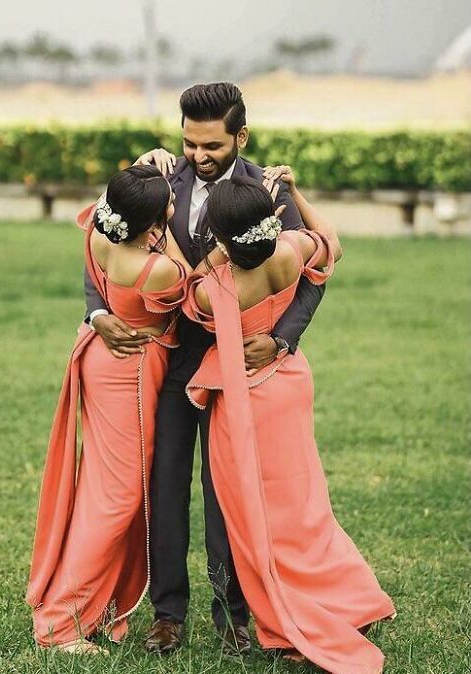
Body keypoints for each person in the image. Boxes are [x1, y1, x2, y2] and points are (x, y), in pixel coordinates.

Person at [85, 82, 325, 654]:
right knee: (165, 486)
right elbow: (105, 248)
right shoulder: (157, 179)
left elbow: (311, 276)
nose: (198, 155)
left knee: (228, 493)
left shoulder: (270, 191)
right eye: (190, 142)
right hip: (167, 363)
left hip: (238, 370)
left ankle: (234, 615)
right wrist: (97, 312)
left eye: (212, 144)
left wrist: (282, 340)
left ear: (241, 136)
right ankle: (167, 614)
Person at [182, 165, 396, 672]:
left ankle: (285, 612)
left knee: (256, 514)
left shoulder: (217, 287)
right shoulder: (290, 251)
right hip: (289, 384)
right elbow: (332, 244)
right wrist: (296, 192)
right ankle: (346, 598)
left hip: (243, 402)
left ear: (222, 236)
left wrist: (216, 251)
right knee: (303, 506)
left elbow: (186, 296)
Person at [27, 165, 224, 653]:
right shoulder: (155, 266)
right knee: (116, 498)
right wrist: (167, 224)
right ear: (150, 221)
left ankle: (86, 603)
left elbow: (103, 207)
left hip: (99, 356)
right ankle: (62, 623)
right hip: (130, 373)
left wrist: (140, 185)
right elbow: (194, 285)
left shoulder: (100, 231)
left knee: (100, 488)